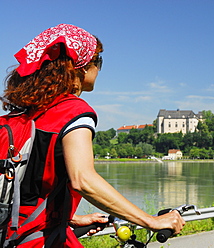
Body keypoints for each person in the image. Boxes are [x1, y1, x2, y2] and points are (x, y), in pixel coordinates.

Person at [1, 24, 185, 247]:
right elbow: (84, 180)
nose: (99, 69)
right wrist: (151, 221)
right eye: (98, 62)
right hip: (41, 241)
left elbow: (26, 189)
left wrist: (69, 217)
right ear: (80, 66)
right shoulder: (72, 112)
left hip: (11, 236)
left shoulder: (22, 115)